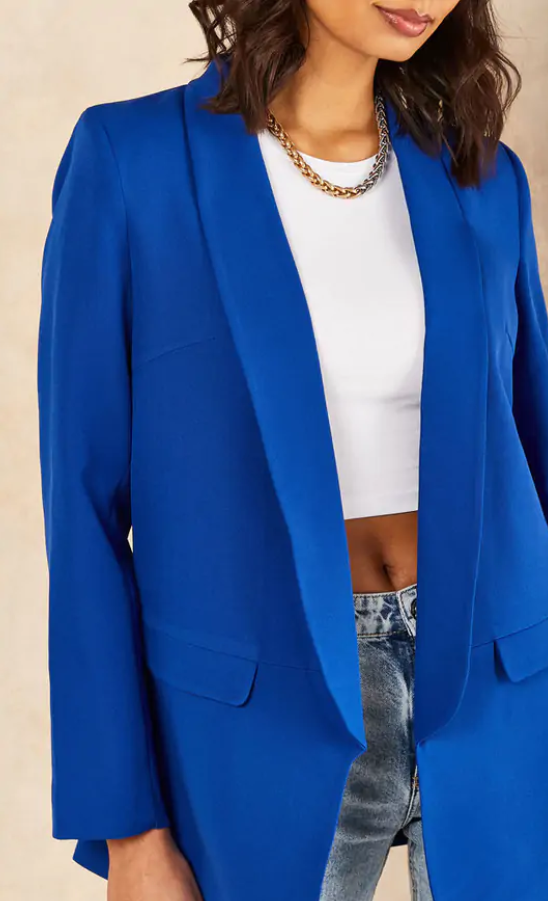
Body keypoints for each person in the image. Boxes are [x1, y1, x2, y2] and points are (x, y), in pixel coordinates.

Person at [36, 1, 548, 899]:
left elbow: (532, 449)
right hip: (261, 715)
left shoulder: (482, 173)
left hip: (498, 694)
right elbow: (82, 510)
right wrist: (128, 827)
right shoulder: (133, 161)